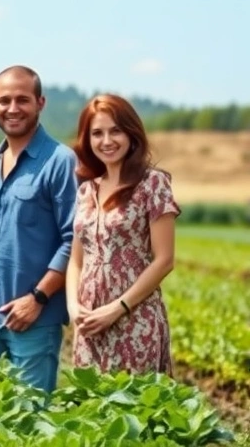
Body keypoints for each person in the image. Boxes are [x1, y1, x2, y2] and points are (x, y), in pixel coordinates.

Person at [0, 65, 78, 393]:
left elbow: (74, 239)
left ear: (40, 103)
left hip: (34, 319)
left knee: (30, 419)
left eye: (22, 100)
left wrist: (37, 298)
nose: (12, 108)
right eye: (4, 100)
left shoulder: (60, 161)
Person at [66, 94, 179, 375]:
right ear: (87, 140)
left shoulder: (152, 184)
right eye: (97, 133)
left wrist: (117, 308)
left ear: (131, 133)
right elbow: (76, 261)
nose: (107, 140)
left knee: (136, 410)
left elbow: (164, 260)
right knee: (91, 410)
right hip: (90, 323)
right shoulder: (86, 191)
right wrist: (73, 307)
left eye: (115, 130)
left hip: (134, 320)